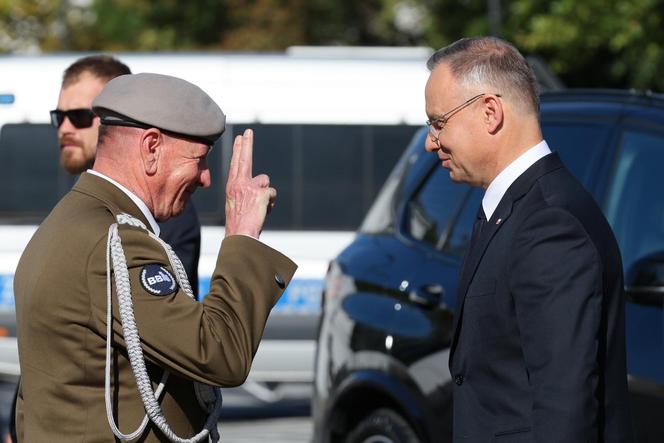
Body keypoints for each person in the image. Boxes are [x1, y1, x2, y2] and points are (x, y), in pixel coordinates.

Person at [14, 73, 297, 442]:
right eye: (199, 159)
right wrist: (242, 236)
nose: (206, 178)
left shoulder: (75, 219)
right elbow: (220, 353)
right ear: (151, 147)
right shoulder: (114, 243)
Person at [424, 37, 633, 442]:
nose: (432, 141)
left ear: (490, 112)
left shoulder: (551, 224)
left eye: (438, 122)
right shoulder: (514, 209)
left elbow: (564, 407)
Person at [51, 55, 202, 295]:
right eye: (58, 117)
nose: (64, 129)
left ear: (118, 118)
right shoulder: (80, 197)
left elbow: (153, 316)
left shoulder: (163, 205)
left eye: (79, 117)